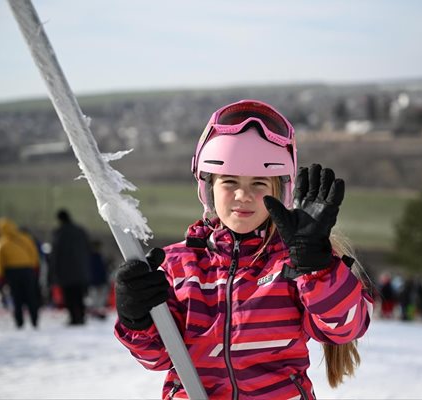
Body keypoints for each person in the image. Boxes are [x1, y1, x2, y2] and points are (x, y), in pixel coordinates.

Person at [114, 99, 374, 399]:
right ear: (208, 187)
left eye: (259, 183)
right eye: (229, 181)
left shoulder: (293, 264)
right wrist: (136, 318)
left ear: (281, 190)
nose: (243, 195)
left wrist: (317, 267)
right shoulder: (179, 266)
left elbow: (345, 328)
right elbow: (155, 358)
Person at [0, 217, 40, 329]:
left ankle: (19, 322)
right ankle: (34, 320)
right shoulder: (25, 237)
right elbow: (33, 253)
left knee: (16, 297)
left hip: (12, 272)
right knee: (31, 296)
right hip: (27, 270)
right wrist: (35, 267)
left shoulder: (2, 242)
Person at [50, 209, 91, 326]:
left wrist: (54, 272)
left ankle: (73, 318)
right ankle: (82, 317)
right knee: (79, 295)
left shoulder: (59, 233)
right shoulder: (80, 231)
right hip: (80, 270)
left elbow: (56, 254)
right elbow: (88, 249)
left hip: (66, 271)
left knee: (69, 296)